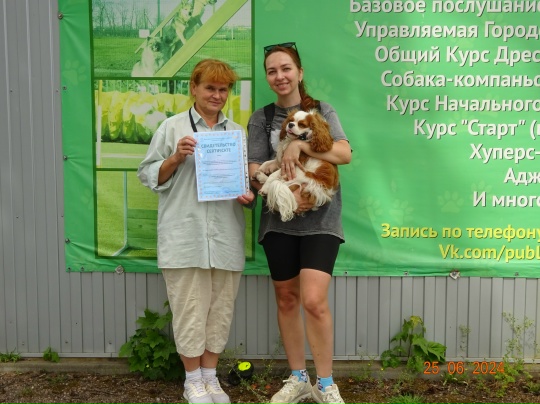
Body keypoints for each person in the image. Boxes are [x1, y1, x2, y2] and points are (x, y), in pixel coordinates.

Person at [137, 59, 254, 404]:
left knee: (220, 310)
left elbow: (245, 183)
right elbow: (147, 175)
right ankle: (192, 381)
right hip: (184, 237)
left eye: (223, 89)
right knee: (189, 310)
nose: (217, 95)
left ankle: (210, 379)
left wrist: (247, 194)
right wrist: (175, 158)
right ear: (194, 88)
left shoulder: (236, 133)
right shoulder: (172, 128)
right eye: (210, 88)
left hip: (225, 236)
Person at [247, 42, 352, 404]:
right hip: (278, 222)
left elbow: (344, 153)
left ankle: (326, 383)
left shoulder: (322, 110)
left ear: (299, 72)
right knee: (287, 298)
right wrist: (284, 194)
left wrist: (300, 146)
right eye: (272, 70)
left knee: (314, 300)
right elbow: (254, 170)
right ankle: (298, 379)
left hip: (322, 221)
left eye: (286, 68)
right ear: (267, 77)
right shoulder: (261, 118)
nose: (280, 76)